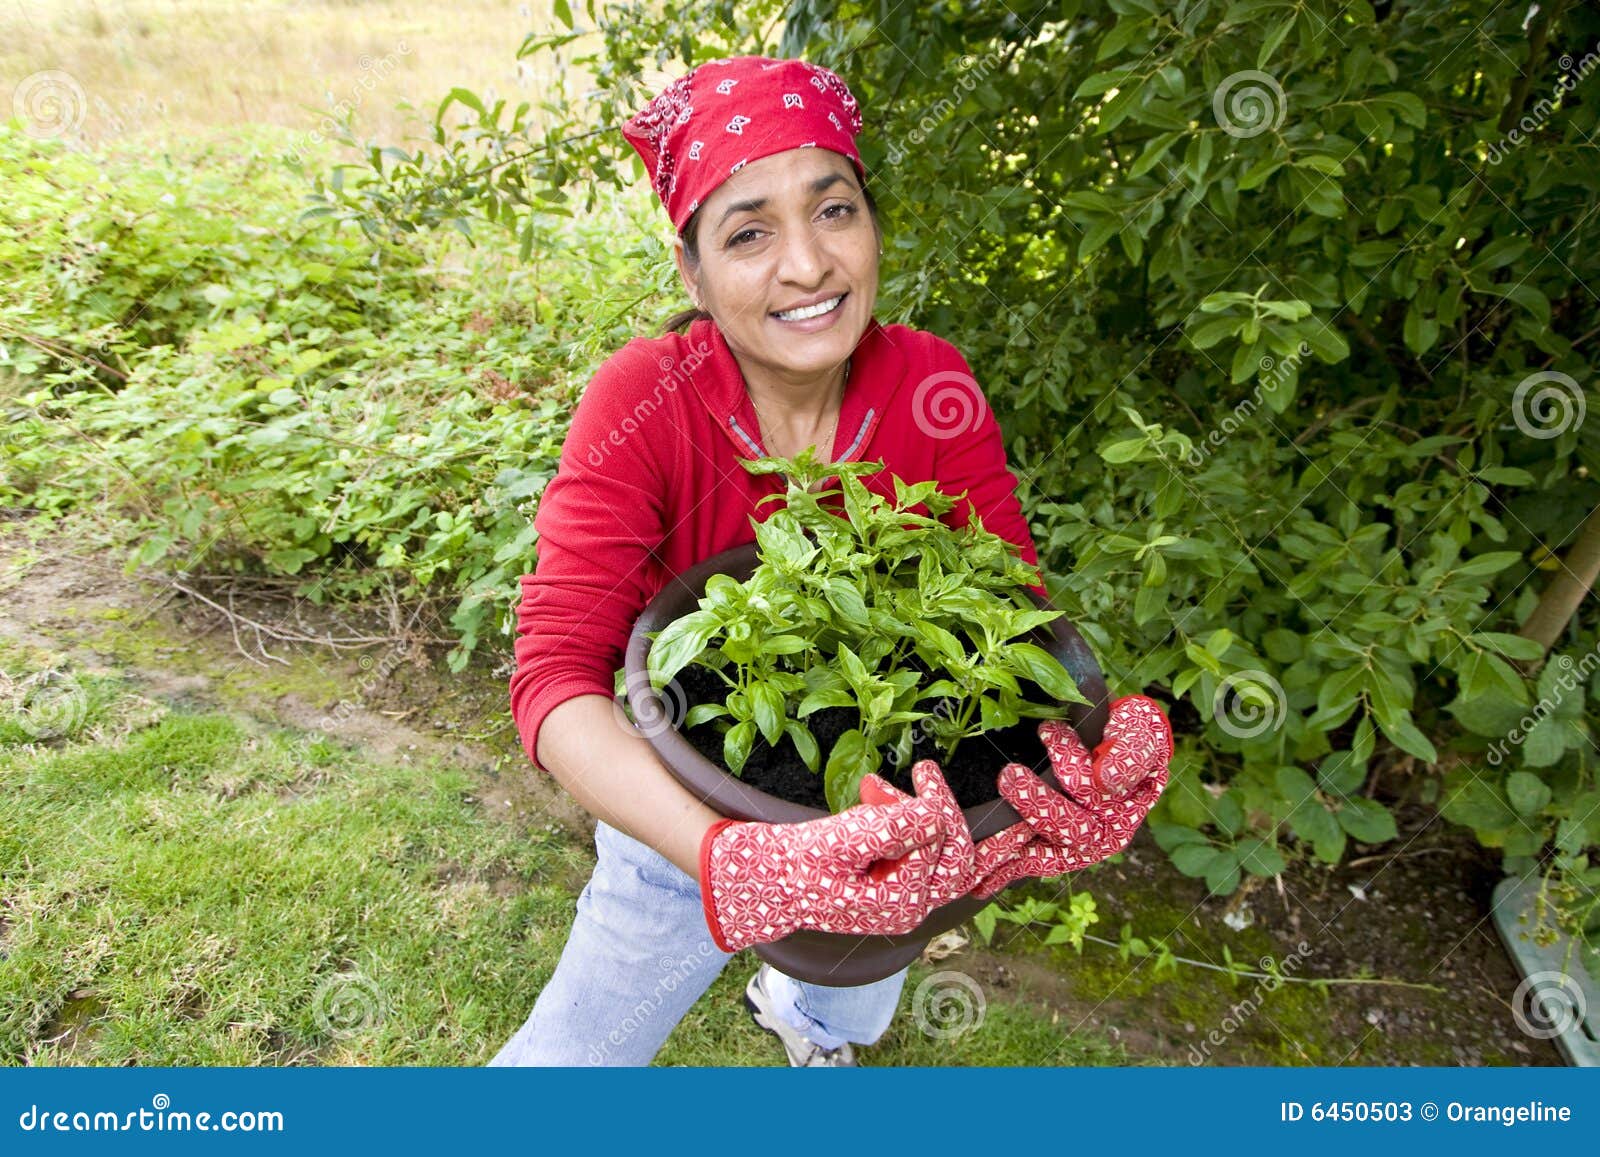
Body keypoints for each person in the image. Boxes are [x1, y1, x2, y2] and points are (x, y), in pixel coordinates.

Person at [490, 54, 1174, 1068]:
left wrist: (1085, 744)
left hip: (895, 810)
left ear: (872, 226)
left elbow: (1011, 612)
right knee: (574, 1064)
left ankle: (808, 1020)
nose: (808, 265)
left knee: (850, 998)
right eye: (749, 232)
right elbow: (552, 678)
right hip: (676, 809)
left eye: (834, 210)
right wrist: (726, 854)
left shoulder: (929, 381)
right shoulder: (648, 399)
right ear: (692, 273)